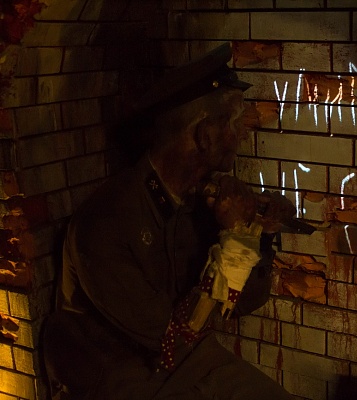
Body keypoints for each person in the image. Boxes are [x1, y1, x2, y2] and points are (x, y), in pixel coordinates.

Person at [43, 43, 296, 400]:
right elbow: (172, 336)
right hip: (116, 376)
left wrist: (259, 232)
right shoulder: (104, 222)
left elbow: (242, 302)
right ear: (204, 135)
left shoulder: (197, 199)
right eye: (235, 122)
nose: (243, 133)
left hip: (186, 361)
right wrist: (237, 238)